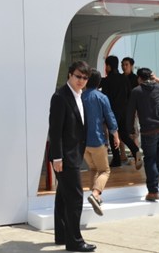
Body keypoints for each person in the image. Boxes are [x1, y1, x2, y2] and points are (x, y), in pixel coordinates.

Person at [49, 61, 97, 252]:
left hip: (73, 154)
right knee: (75, 197)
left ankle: (62, 235)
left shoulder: (79, 95)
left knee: (63, 196)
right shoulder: (60, 97)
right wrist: (57, 157)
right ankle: (75, 241)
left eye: (85, 78)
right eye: (78, 76)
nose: (81, 80)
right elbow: (55, 131)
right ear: (69, 74)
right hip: (65, 157)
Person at [126, 68, 159, 201]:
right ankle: (157, 173)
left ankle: (153, 191)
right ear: (151, 77)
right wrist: (156, 78)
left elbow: (130, 112)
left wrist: (130, 130)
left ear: (139, 79)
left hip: (149, 130)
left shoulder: (136, 91)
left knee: (150, 159)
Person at [81, 68, 120, 216]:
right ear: (99, 82)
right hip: (97, 140)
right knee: (105, 170)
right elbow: (110, 117)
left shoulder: (80, 96)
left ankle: (95, 198)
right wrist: (115, 135)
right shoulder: (101, 97)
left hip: (82, 143)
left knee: (93, 169)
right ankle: (96, 194)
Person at [101, 56, 141, 169]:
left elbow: (105, 99)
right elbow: (130, 94)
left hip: (112, 112)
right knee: (124, 135)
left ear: (108, 66)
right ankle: (136, 151)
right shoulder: (124, 78)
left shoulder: (107, 80)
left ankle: (116, 160)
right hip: (125, 112)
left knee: (113, 135)